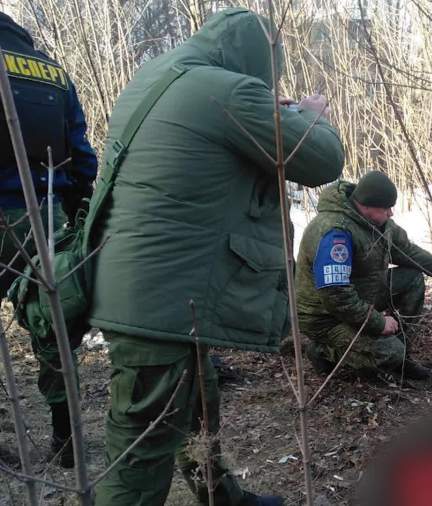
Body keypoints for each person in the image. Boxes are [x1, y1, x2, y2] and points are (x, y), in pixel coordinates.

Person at [86, 8, 344, 506]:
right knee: (143, 445)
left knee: (200, 402)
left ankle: (221, 497)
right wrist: (307, 116)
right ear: (257, 61)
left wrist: (271, 110)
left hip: (149, 291)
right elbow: (321, 159)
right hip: (160, 303)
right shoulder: (228, 92)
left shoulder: (158, 78)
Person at [0, 11, 97, 468]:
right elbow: (82, 155)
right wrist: (76, 209)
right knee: (51, 324)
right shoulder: (53, 72)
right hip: (45, 214)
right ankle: (67, 438)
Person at [295, 171, 432, 380]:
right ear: (367, 205)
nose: (391, 213)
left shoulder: (378, 223)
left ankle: (401, 358)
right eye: (386, 208)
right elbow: (336, 294)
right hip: (325, 316)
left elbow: (407, 251)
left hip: (360, 296)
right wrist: (378, 322)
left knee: (412, 278)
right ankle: (323, 351)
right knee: (388, 352)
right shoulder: (335, 232)